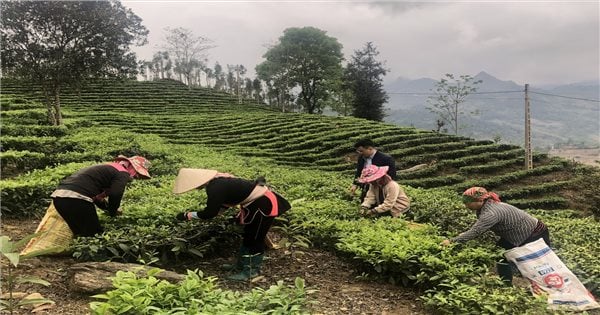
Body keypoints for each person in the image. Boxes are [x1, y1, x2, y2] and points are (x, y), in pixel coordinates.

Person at [173, 168, 291, 281]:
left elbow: (209, 213)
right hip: (255, 204)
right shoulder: (218, 182)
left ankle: (251, 271)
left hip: (263, 204)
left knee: (255, 238)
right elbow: (226, 202)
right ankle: (241, 265)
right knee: (249, 236)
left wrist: (187, 215)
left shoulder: (215, 187)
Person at [50, 155, 151, 237]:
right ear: (130, 166)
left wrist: (107, 208)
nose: (136, 177)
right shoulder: (122, 172)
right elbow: (116, 194)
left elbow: (97, 198)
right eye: (137, 173)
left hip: (59, 198)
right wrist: (113, 212)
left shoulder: (108, 169)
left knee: (80, 233)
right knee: (95, 234)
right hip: (77, 199)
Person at [441, 187, 551, 249]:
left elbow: (476, 231)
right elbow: (479, 225)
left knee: (538, 262)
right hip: (520, 233)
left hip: (534, 233)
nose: (466, 206)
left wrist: (451, 241)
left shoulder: (490, 213)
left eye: (468, 203)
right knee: (501, 253)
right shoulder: (488, 206)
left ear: (480, 200)